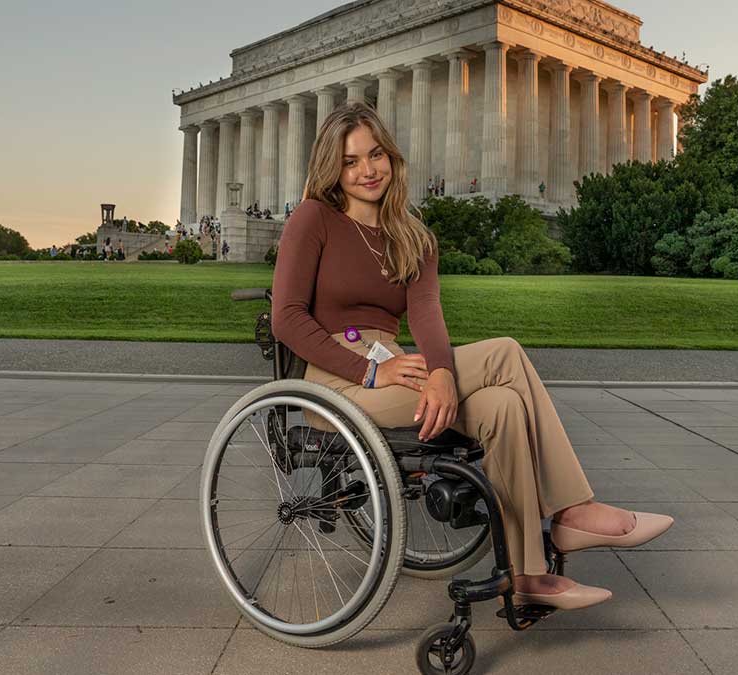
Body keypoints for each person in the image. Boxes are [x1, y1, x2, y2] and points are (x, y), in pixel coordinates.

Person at [271, 101, 673, 612]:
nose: (367, 170)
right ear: (334, 167)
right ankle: (574, 510)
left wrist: (438, 371)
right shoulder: (315, 219)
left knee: (504, 405)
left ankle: (527, 574)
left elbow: (427, 316)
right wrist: (373, 370)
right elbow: (287, 318)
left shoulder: (413, 238)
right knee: (505, 353)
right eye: (351, 161)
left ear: (391, 157)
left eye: (375, 155)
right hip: (338, 381)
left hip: (398, 367)